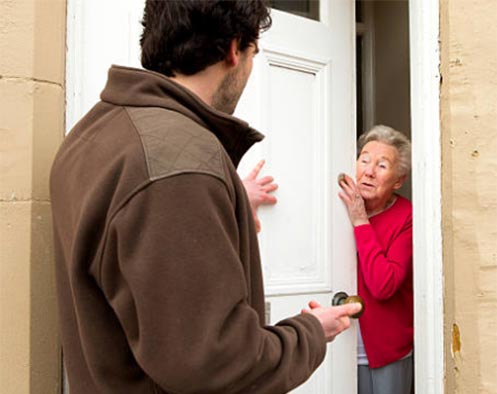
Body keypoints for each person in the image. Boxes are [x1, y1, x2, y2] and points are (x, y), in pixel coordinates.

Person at [50, 1, 361, 393]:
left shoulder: (93, 134)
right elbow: (218, 365)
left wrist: (221, 207)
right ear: (234, 49)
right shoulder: (180, 163)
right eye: (253, 54)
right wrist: (312, 332)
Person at [338, 125, 413, 394]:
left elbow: (384, 285)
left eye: (382, 165)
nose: (368, 171)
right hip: (338, 345)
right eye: (364, 160)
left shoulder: (407, 217)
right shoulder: (335, 204)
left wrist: (360, 220)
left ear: (398, 180)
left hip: (385, 352)